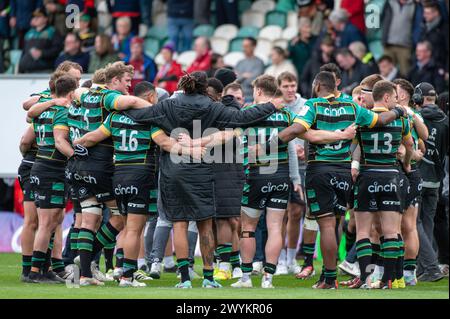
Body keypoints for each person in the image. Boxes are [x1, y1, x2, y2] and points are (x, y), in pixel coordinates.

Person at [124, 71, 285, 289]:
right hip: (202, 169)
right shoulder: (212, 107)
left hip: (173, 170)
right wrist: (271, 106)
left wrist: (115, 103)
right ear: (204, 87)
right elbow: (242, 118)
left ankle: (184, 279)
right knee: (205, 224)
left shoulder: (168, 105)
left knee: (179, 224)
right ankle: (209, 277)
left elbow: (140, 115)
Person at [272, 71, 409, 289]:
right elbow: (380, 119)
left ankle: (329, 278)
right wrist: (399, 109)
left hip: (320, 170)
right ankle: (389, 279)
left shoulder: (313, 105)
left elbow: (297, 130)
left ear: (317, 86)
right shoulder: (353, 107)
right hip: (345, 171)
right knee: (336, 223)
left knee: (325, 225)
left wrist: (272, 141)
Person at [72, 81, 202, 287]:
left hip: (118, 176)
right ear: (150, 97)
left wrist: (75, 146)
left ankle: (98, 258)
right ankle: (127, 276)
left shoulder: (114, 117)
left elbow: (92, 138)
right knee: (134, 229)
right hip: (140, 175)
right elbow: (165, 143)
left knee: (124, 226)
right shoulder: (149, 119)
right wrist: (190, 150)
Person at [24, 75, 78, 283]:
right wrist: (76, 156)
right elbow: (59, 141)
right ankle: (35, 271)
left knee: (53, 219)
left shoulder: (44, 108)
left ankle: (44, 268)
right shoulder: (62, 111)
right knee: (47, 223)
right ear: (72, 93)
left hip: (42, 166)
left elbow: (29, 115)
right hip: (51, 168)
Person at [394, 78, 429, 286]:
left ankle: (398, 271)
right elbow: (423, 139)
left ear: (404, 94)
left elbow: (423, 136)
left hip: (401, 168)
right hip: (412, 169)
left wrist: (412, 153)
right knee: (408, 225)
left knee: (400, 224)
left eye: (395, 90)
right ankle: (407, 273)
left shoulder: (404, 113)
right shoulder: (409, 114)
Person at [275, 72, 307, 276]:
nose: (290, 89)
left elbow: (312, 129)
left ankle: (291, 258)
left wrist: (305, 148)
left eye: (293, 85)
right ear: (279, 87)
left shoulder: (305, 105)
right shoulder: (275, 105)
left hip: (302, 167)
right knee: (279, 214)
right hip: (280, 165)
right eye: (286, 85)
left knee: (296, 212)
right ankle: (277, 260)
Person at [416, 82, 448, 282]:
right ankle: (423, 268)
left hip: (418, 176)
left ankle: (430, 267)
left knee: (413, 223)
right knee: (426, 223)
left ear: (418, 98)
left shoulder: (416, 117)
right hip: (436, 180)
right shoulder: (446, 120)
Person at [18, 8, 63, 74]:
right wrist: (20, 67)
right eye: (34, 16)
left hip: (44, 71)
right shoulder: (28, 33)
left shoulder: (52, 31)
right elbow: (24, 52)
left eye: (39, 16)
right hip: (26, 71)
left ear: (46, 19)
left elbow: (57, 49)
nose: (35, 18)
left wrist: (42, 53)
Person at [381, 0, 417, 77]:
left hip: (405, 45)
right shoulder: (389, 2)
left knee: (406, 73)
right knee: (386, 73)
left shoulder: (414, 5)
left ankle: (406, 89)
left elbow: (416, 24)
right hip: (389, 44)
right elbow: (382, 18)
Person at [419, 1, 448, 75]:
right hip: (424, 68)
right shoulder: (424, 28)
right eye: (424, 13)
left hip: (439, 69)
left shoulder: (445, 28)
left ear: (436, 13)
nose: (425, 16)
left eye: (427, 13)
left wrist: (447, 70)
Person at [235, 37, 265, 103]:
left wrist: (240, 77)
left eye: (246, 46)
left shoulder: (259, 62)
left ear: (253, 47)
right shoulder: (239, 62)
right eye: (243, 46)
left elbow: (253, 81)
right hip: (237, 97)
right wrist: (244, 76)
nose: (243, 49)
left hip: (251, 98)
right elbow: (234, 80)